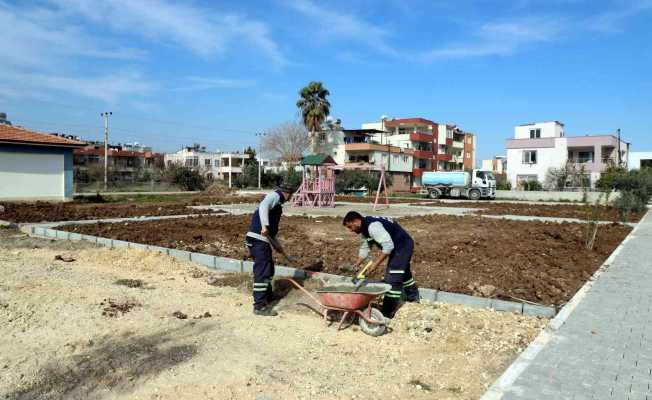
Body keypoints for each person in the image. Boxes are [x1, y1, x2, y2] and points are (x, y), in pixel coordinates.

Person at [342, 211, 419, 318]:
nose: (351, 230)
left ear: (356, 221)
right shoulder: (365, 227)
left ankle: (388, 312)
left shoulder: (373, 227)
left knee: (393, 277)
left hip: (402, 246)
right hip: (398, 245)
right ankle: (414, 298)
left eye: (350, 227)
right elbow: (365, 246)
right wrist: (358, 262)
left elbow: (388, 247)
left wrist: (375, 265)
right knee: (404, 273)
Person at [245, 184, 296, 316]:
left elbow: (271, 236)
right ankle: (259, 306)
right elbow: (263, 206)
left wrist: (283, 251)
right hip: (258, 240)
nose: (291, 198)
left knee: (269, 269)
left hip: (260, 240)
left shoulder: (277, 206)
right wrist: (265, 225)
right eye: (291, 195)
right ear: (287, 193)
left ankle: (268, 296)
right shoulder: (275, 195)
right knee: (262, 272)